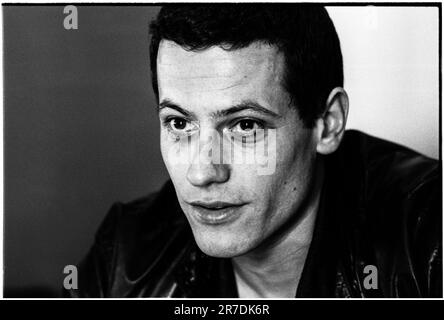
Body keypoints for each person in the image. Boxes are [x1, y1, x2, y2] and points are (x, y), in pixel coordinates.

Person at [68, 5, 441, 298]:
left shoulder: (426, 237)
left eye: (245, 126)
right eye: (179, 123)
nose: (202, 173)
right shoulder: (126, 259)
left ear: (327, 123)